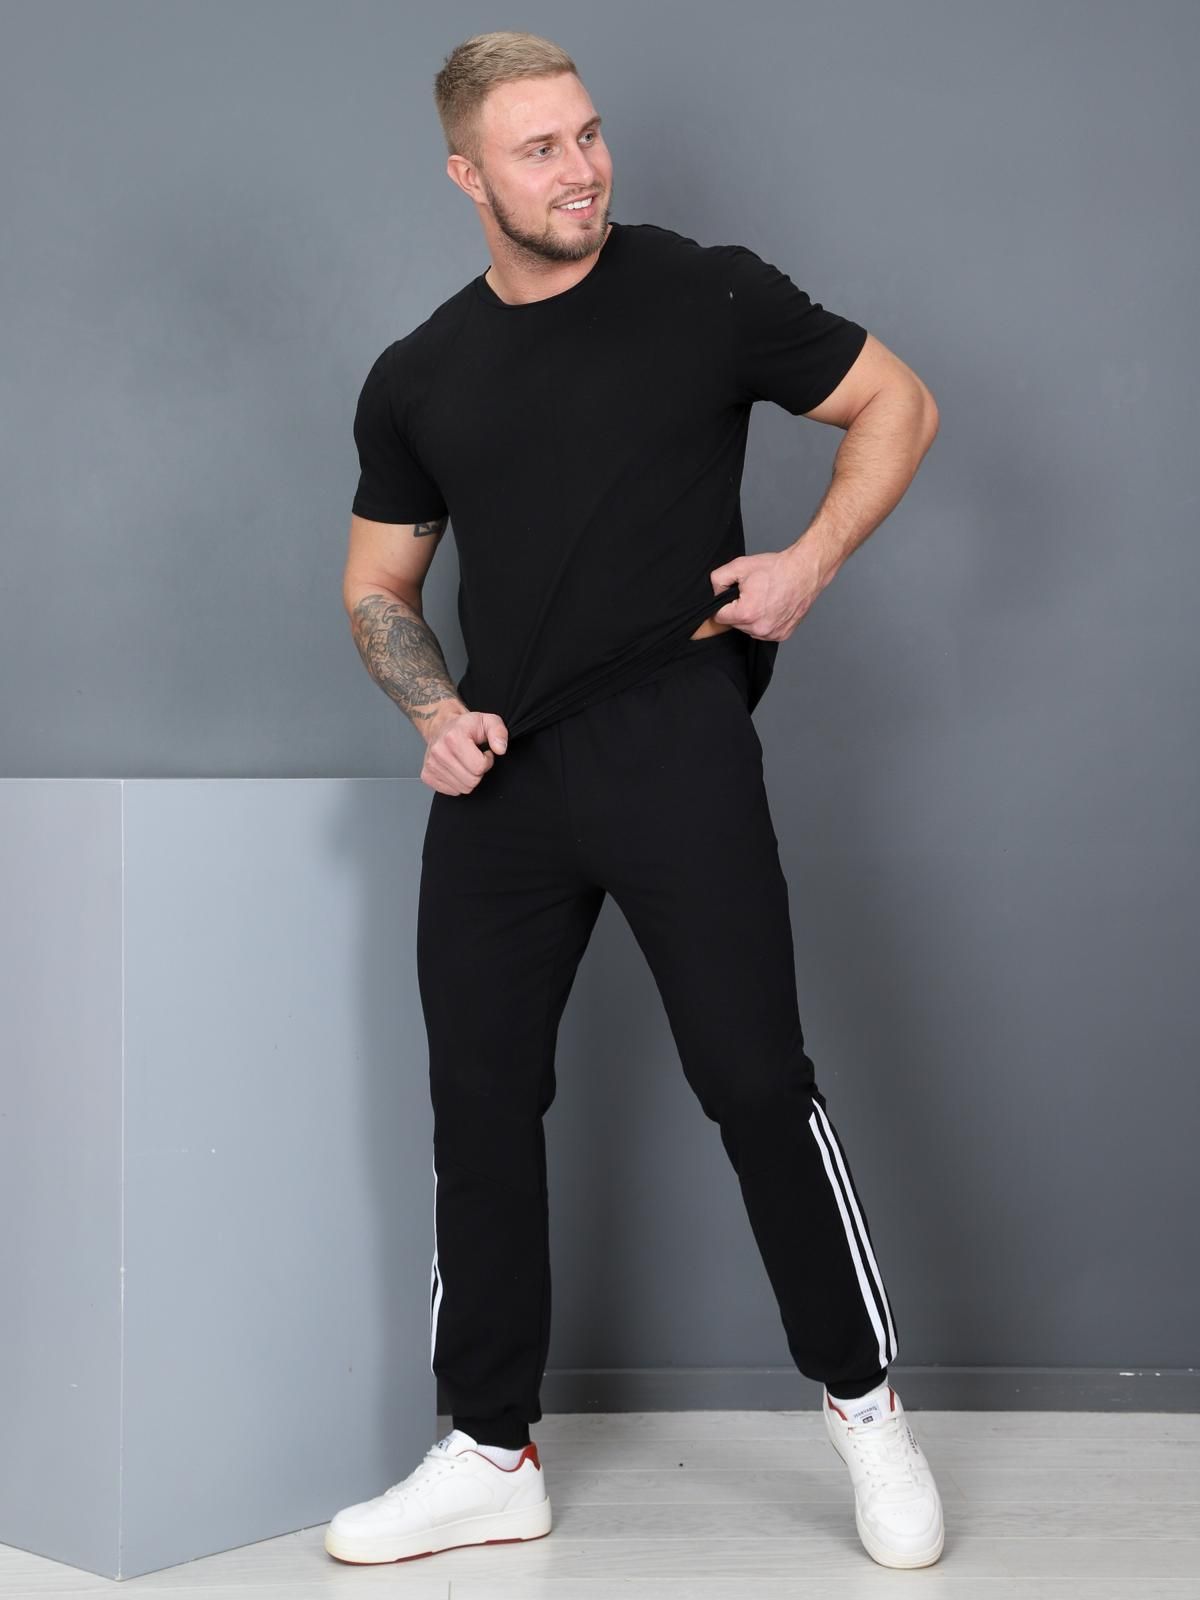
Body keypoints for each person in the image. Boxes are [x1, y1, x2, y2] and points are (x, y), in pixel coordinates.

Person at [325, 29, 944, 1574]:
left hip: (673, 732)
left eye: (589, 134)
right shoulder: (419, 375)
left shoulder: (703, 293)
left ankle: (868, 1411)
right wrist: (433, 710)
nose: (582, 169)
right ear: (467, 175)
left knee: (754, 1081)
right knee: (479, 1102)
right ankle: (490, 1451)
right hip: (504, 772)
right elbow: (378, 586)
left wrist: (808, 563)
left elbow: (898, 404)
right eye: (540, 149)